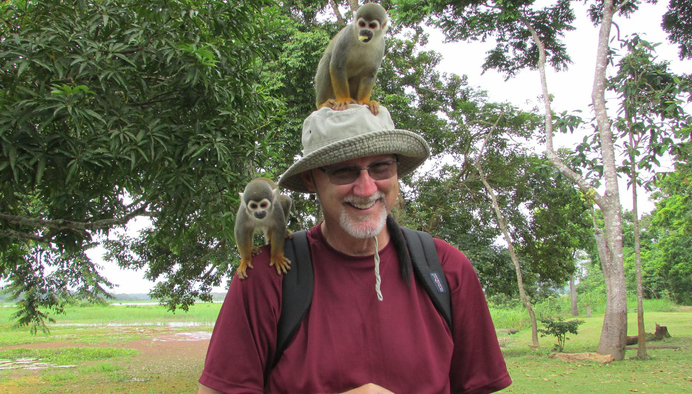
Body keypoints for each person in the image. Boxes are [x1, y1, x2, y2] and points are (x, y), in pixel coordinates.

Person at [198, 104, 512, 394]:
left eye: (381, 167)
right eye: (343, 171)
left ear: (397, 172)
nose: (366, 188)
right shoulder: (268, 277)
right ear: (311, 179)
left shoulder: (446, 269)